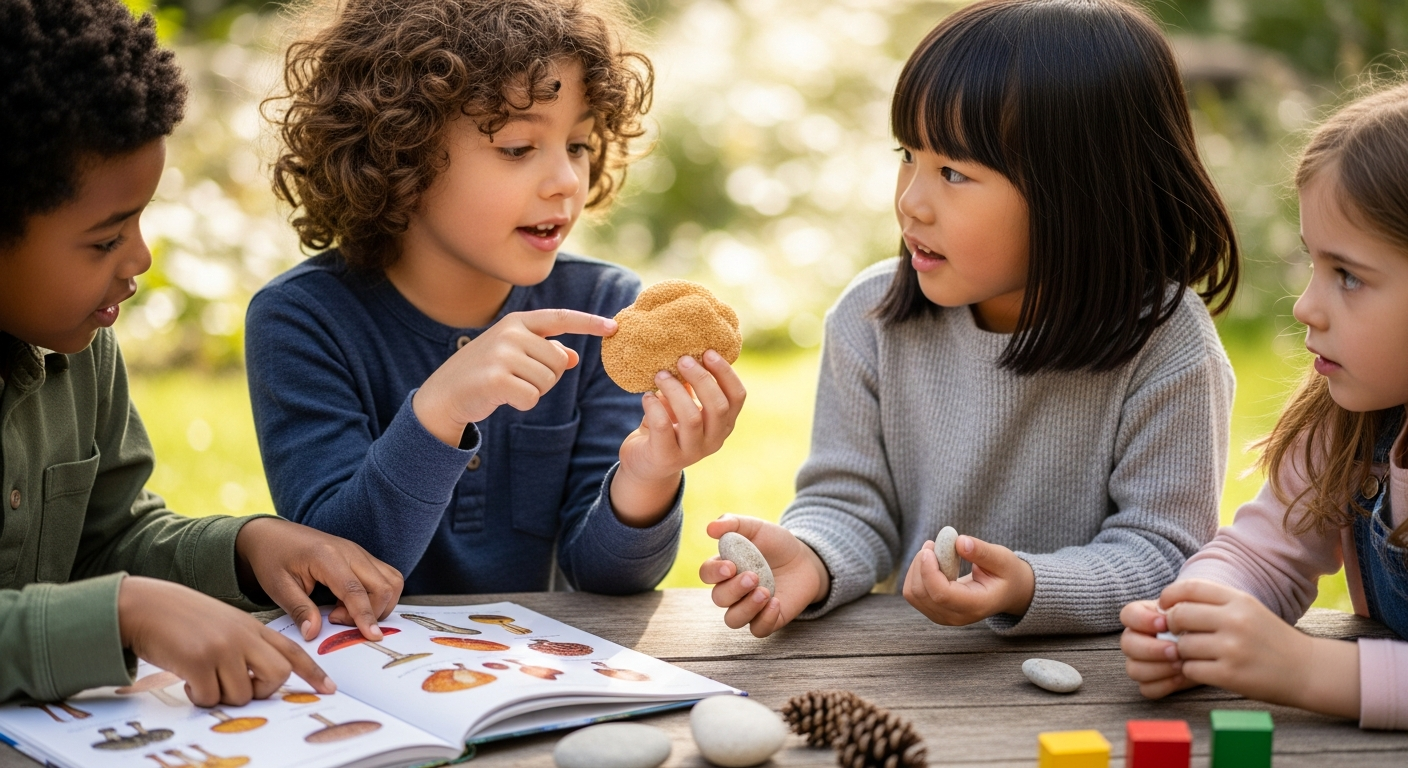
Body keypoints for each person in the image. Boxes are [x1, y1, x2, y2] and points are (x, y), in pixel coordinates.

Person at [702, 0, 1239, 637]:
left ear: (1080, 191)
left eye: (953, 172)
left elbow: (1163, 551)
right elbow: (850, 504)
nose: (911, 202)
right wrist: (811, 557)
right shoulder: (870, 319)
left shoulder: (1168, 346)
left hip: (1097, 676)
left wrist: (1028, 587)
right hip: (907, 668)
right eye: (907, 154)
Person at [247, 0, 745, 595]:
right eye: (517, 148)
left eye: (579, 145)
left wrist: (647, 475)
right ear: (399, 151)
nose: (567, 180)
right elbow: (335, 576)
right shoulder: (301, 321)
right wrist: (440, 411)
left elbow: (607, 578)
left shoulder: (602, 308)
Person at [0, 0, 403, 706]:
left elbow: (107, 540)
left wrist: (246, 548)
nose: (140, 259)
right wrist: (122, 614)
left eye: (140, 221)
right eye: (105, 239)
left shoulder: (82, 347)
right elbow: (112, 594)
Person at [1121, 82, 1408, 730]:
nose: (1305, 306)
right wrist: (1198, 618)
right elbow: (1262, 555)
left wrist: (1303, 669)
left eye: (1348, 275)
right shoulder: (1346, 423)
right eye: (1314, 264)